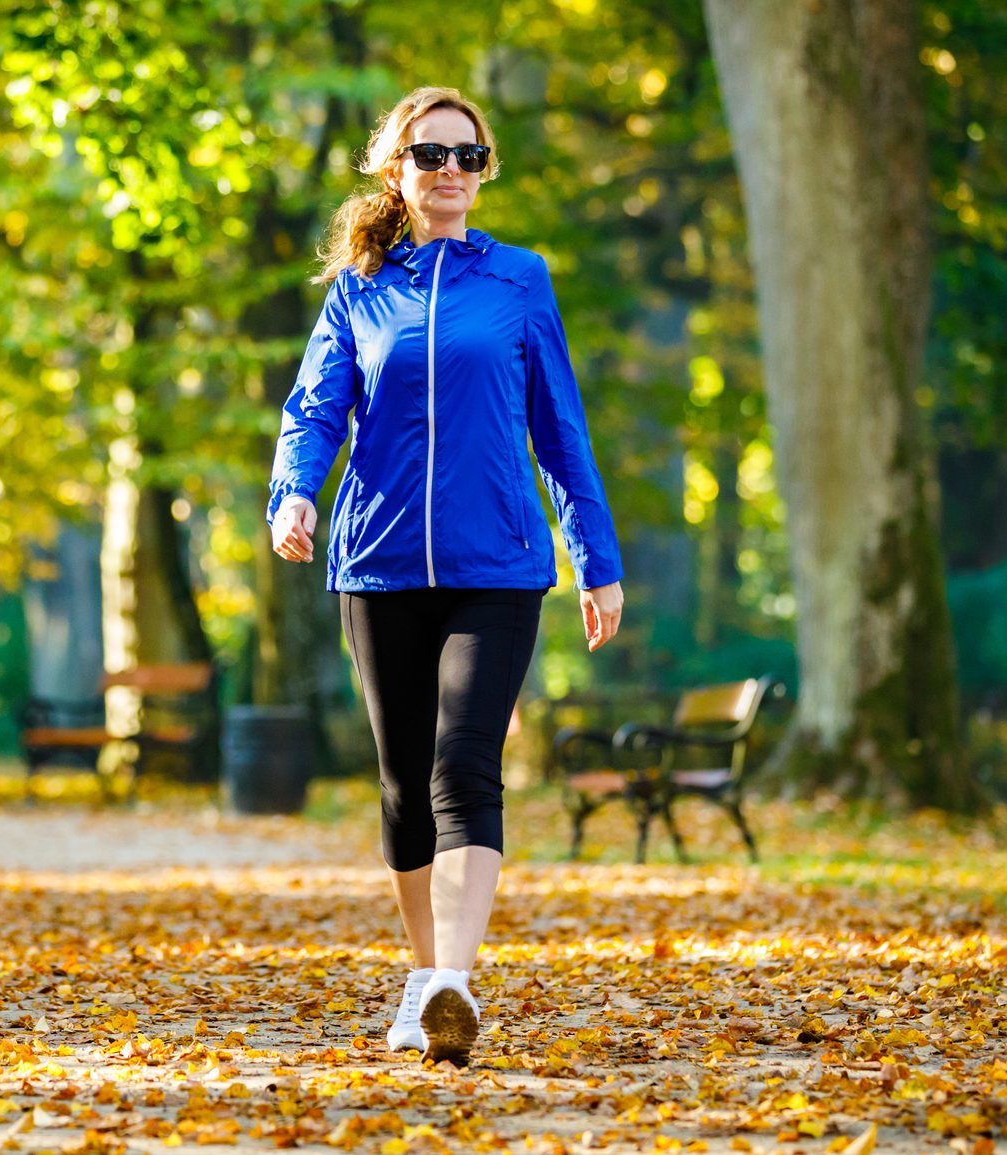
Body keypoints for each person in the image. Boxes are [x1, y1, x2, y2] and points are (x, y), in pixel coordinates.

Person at [267, 86, 624, 1066]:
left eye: (468, 157)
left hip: (498, 563)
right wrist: (293, 494)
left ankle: (456, 983)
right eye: (431, 156)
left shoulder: (517, 280)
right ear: (397, 170)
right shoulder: (358, 288)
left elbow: (559, 428)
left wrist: (594, 558)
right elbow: (313, 411)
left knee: (464, 765)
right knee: (401, 786)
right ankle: (424, 977)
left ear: (483, 170)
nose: (451, 173)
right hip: (377, 565)